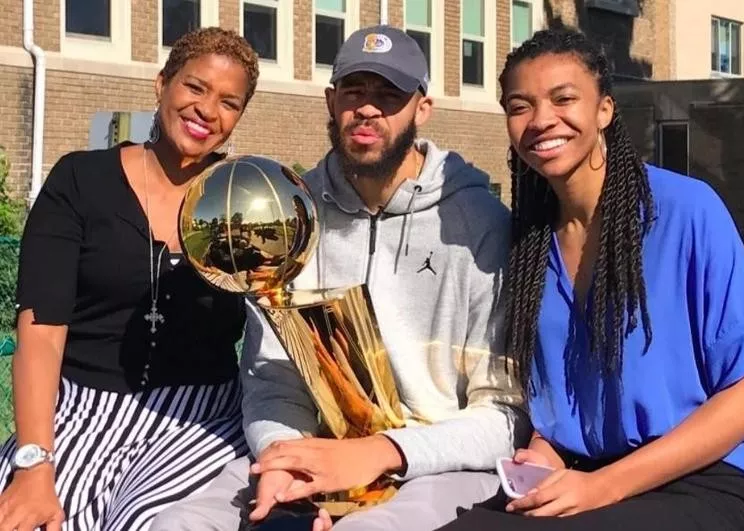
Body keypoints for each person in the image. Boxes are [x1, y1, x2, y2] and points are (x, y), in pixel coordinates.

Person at [152, 24, 528, 531]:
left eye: (388, 95)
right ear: (332, 102)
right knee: (176, 524)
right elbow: (271, 377)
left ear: (422, 108)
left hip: (436, 465)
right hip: (310, 453)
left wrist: (384, 452)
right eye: (355, 91)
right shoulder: (290, 213)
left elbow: (505, 414)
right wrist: (282, 458)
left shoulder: (480, 225)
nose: (368, 108)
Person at [436, 27, 744, 531]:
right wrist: (541, 456)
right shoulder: (530, 245)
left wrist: (603, 486)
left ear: (604, 109)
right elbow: (561, 413)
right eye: (520, 106)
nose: (542, 120)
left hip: (702, 483)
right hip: (588, 477)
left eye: (564, 98)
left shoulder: (686, 212)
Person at [0, 27, 260, 530]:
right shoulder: (81, 180)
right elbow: (42, 326)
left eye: (229, 102)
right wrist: (34, 461)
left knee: (141, 519)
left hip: (198, 415)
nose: (208, 110)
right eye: (195, 87)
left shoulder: (243, 201)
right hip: (80, 407)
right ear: (161, 84)